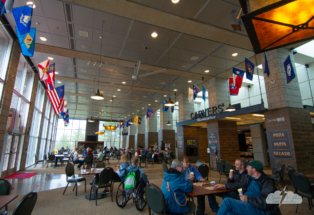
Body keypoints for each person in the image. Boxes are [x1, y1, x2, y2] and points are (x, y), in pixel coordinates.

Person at [214, 160, 281, 215]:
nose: (246, 168)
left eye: (248, 166)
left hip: (259, 210)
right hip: (247, 204)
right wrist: (224, 185)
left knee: (227, 201)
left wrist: (248, 199)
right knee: (230, 213)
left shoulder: (267, 182)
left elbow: (267, 202)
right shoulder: (251, 178)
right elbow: (239, 185)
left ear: (254, 170)